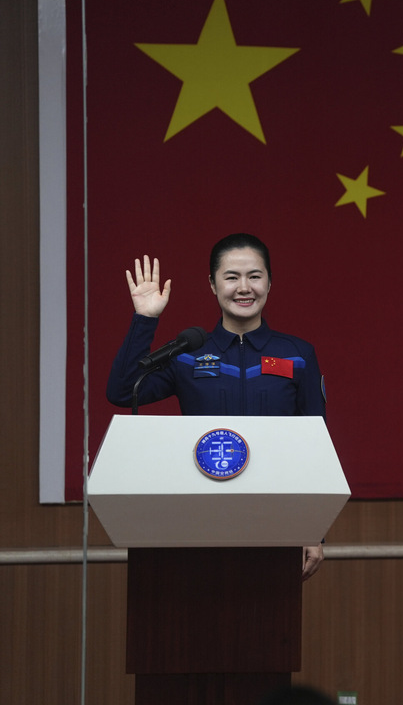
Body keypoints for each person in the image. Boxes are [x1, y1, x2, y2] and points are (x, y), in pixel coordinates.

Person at [106, 233, 327, 580]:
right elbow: (122, 391)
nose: (244, 287)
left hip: (275, 520)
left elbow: (317, 446)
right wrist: (145, 319)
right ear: (212, 284)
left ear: (270, 282)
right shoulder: (186, 353)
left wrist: (313, 528)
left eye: (255, 276)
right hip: (195, 520)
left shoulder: (298, 354)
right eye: (231, 277)